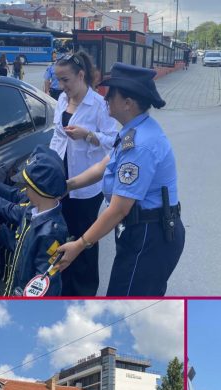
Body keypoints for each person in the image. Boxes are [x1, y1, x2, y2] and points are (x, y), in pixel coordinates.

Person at [55, 63, 185, 296]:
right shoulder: (132, 131)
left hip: (150, 236)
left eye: (111, 95)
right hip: (141, 231)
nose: (105, 99)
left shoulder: (140, 145)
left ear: (128, 103)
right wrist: (67, 187)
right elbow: (102, 166)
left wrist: (80, 244)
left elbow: (118, 210)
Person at [49, 51, 119, 296]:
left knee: (84, 238)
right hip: (60, 180)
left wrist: (88, 135)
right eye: (58, 80)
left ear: (81, 75)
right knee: (60, 234)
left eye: (66, 80)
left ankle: (84, 291)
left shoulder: (99, 105)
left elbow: (114, 142)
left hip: (86, 186)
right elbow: (56, 136)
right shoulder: (60, 100)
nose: (61, 86)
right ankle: (64, 286)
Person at [0, 146, 68, 297]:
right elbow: (11, 211)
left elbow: (46, 279)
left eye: (27, 186)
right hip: (16, 287)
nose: (24, 190)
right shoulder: (32, 210)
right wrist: (3, 231)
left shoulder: (52, 231)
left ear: (39, 191)